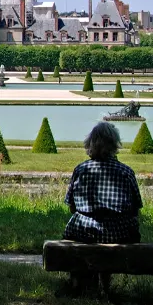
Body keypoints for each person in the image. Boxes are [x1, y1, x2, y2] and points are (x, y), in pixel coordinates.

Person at [62, 122, 143, 294]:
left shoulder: (82, 169)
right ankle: (105, 285)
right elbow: (136, 208)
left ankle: (80, 283)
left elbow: (71, 206)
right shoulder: (125, 171)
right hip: (119, 233)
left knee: (74, 230)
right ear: (115, 144)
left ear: (90, 143)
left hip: (85, 232)